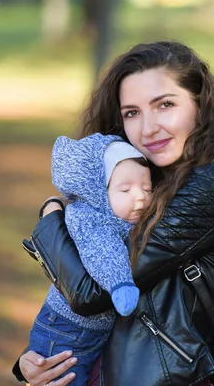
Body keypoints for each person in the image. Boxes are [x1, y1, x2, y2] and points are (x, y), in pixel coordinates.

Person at [13, 40, 214, 386]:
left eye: (165, 105)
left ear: (201, 106)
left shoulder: (212, 189)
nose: (148, 128)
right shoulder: (150, 186)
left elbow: (91, 292)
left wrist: (51, 216)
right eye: (132, 112)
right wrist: (36, 360)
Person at [27, 133, 152, 386]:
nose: (140, 196)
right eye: (125, 189)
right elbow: (104, 254)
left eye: (148, 188)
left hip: (90, 331)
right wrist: (121, 285)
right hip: (68, 331)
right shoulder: (92, 221)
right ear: (99, 193)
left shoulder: (119, 216)